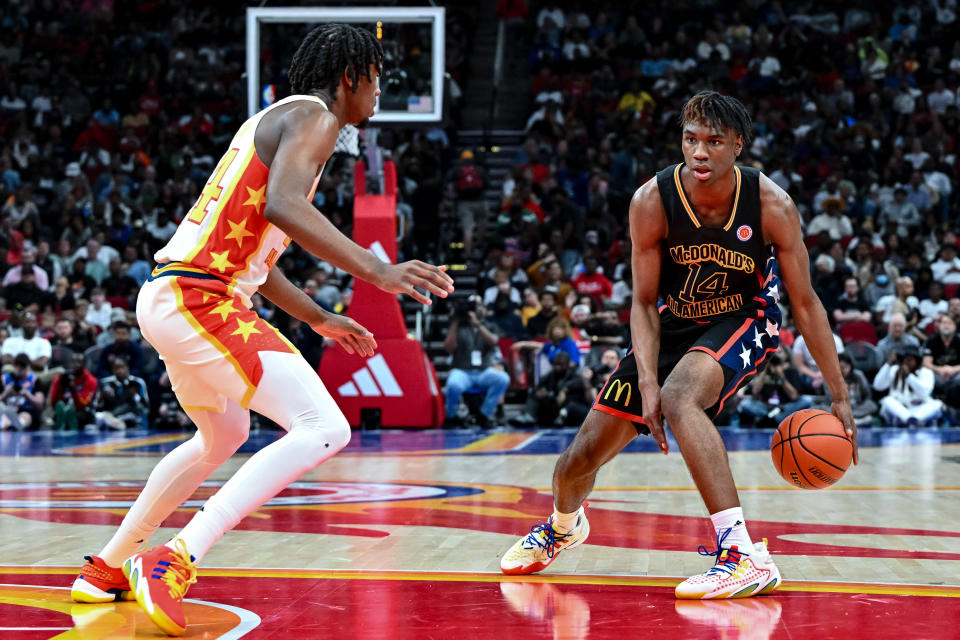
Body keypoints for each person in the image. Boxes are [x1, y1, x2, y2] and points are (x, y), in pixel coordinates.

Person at [68, 24, 454, 637]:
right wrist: (377, 268)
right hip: (200, 296)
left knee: (222, 434)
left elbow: (261, 257)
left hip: (178, 293)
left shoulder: (275, 119)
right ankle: (173, 558)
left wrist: (320, 318)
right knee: (325, 427)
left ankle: (107, 569)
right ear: (351, 78)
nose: (379, 95)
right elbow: (284, 209)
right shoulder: (317, 116)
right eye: (377, 80)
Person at [500, 93, 856, 601]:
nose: (700, 152)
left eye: (714, 142)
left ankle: (740, 556)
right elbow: (644, 304)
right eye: (691, 140)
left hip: (745, 317)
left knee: (680, 396)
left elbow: (807, 303)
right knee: (574, 464)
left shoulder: (772, 205)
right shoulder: (652, 201)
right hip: (673, 324)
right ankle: (563, 527)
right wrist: (645, 377)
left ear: (737, 145)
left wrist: (838, 394)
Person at [442, 295, 509, 428]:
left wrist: (478, 325)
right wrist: (455, 321)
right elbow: (449, 348)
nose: (476, 309)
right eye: (473, 306)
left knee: (502, 379)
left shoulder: (490, 325)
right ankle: (451, 416)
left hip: (484, 371)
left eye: (479, 306)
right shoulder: (458, 326)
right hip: (462, 371)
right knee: (453, 383)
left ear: (484, 309)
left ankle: (484, 414)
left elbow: (494, 341)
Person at [874, 345, 942, 426]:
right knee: (887, 401)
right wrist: (888, 364)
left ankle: (913, 419)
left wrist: (909, 376)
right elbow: (877, 386)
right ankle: (908, 419)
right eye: (904, 359)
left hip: (919, 410)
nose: (906, 362)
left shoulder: (926, 372)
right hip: (899, 411)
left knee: (937, 404)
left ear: (917, 360)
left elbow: (924, 393)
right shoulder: (894, 370)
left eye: (910, 359)